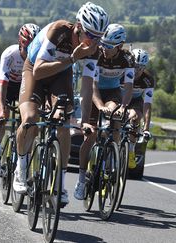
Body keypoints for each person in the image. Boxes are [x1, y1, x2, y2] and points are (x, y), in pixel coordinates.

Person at [13, 2, 109, 206]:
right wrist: (73, 58)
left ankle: (60, 185)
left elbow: (87, 86)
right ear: (78, 27)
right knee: (30, 118)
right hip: (35, 70)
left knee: (64, 122)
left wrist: (83, 121)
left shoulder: (93, 49)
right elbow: (38, 71)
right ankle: (20, 170)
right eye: (91, 36)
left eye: (99, 38)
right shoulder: (59, 31)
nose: (94, 42)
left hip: (60, 73)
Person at [74, 23, 134, 200]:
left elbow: (129, 87)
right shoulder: (96, 53)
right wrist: (99, 106)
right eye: (103, 43)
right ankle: (81, 180)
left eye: (109, 46)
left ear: (120, 46)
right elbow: (92, 85)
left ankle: (112, 158)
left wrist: (123, 106)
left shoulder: (128, 59)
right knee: (90, 135)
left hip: (113, 92)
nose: (104, 48)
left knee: (115, 116)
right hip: (93, 92)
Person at [0, 23, 40, 176]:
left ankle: (22, 161)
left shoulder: (38, 57)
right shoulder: (9, 54)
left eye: (32, 50)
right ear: (20, 43)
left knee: (30, 123)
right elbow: (1, 86)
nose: (28, 54)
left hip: (25, 86)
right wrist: (1, 108)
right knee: (1, 115)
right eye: (26, 49)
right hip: (8, 86)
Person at [126, 48, 155, 167]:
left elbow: (147, 104)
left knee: (136, 118)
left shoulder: (148, 80)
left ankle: (131, 151)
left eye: (141, 68)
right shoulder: (123, 72)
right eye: (135, 66)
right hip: (119, 97)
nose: (137, 71)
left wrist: (146, 127)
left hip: (136, 101)